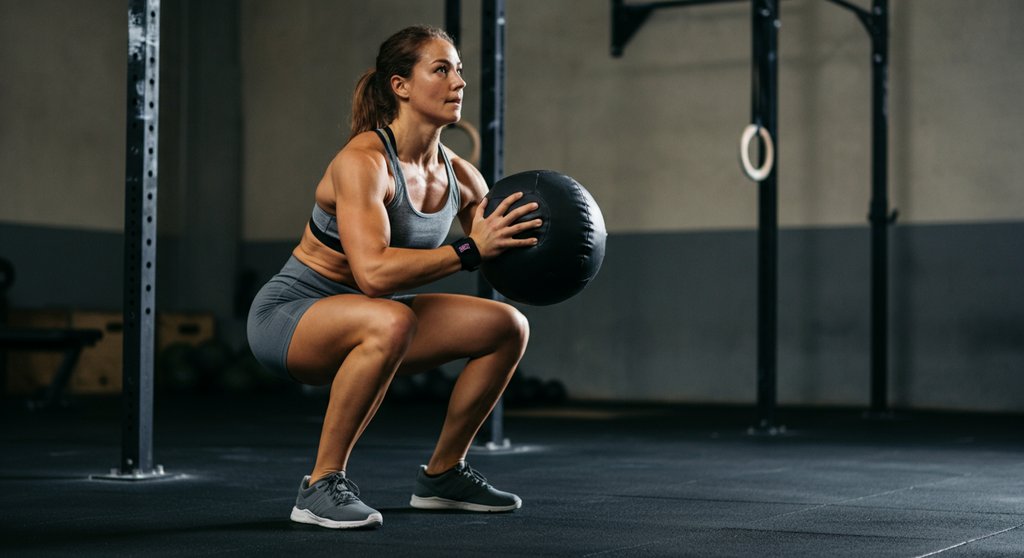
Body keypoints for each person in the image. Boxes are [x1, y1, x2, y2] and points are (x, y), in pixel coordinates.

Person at [246, 25, 541, 530]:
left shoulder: (463, 177)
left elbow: (498, 251)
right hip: (292, 317)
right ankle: (320, 486)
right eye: (441, 70)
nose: (459, 82)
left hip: (378, 318)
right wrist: (470, 249)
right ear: (400, 86)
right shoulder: (363, 162)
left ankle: (444, 475)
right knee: (391, 319)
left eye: (459, 70)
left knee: (507, 326)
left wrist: (547, 256)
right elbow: (374, 274)